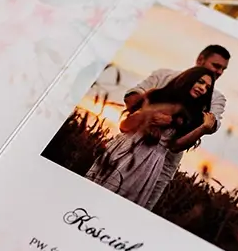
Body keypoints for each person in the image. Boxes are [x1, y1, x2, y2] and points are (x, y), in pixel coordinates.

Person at [86, 67, 215, 209]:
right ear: (188, 79)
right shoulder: (157, 95)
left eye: (207, 88)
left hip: (149, 163)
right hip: (125, 149)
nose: (203, 88)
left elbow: (175, 146)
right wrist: (149, 118)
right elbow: (124, 126)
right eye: (200, 82)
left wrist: (203, 129)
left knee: (119, 205)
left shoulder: (193, 116)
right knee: (94, 193)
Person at [122, 45, 231, 209]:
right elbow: (132, 97)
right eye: (216, 66)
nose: (219, 72)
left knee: (138, 206)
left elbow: (212, 124)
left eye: (223, 69)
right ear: (200, 59)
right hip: (130, 148)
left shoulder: (216, 97)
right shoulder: (164, 75)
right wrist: (151, 116)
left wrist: (176, 121)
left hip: (164, 163)